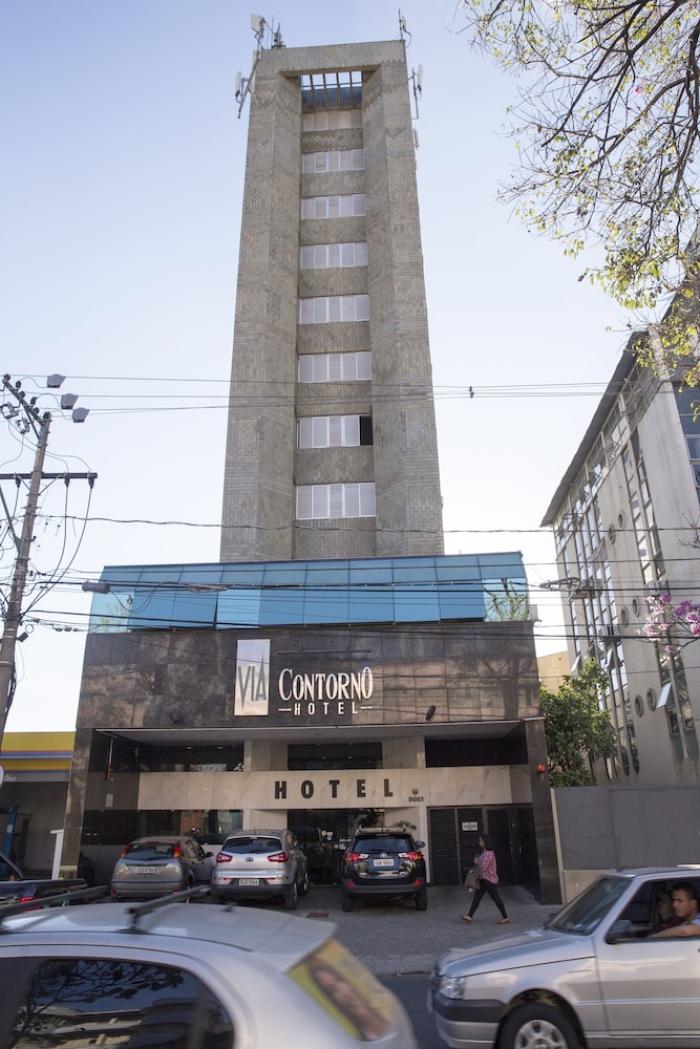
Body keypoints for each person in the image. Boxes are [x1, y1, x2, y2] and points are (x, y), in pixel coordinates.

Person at [461, 834, 510, 924]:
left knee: (496, 898)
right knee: (477, 898)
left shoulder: (489, 854)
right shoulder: (485, 852)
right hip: (483, 879)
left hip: (489, 880)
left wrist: (477, 862)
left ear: (485, 842)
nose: (479, 842)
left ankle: (505, 917)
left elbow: (483, 867)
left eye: (480, 840)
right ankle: (469, 916)